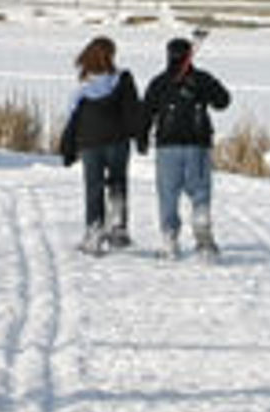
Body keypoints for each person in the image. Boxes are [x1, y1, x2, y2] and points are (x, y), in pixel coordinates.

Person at [141, 35, 233, 258]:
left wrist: (141, 138)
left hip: (167, 147)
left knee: (168, 194)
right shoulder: (201, 79)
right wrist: (202, 86)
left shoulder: (159, 82)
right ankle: (202, 225)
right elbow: (223, 101)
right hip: (197, 146)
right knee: (199, 191)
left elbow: (145, 113)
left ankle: (169, 240)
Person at [54, 33, 142, 253]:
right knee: (117, 183)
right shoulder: (123, 79)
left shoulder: (83, 86)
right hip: (118, 141)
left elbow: (73, 117)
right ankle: (118, 230)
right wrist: (139, 135)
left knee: (93, 187)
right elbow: (132, 110)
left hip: (90, 142)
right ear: (111, 55)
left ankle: (94, 232)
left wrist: (68, 147)